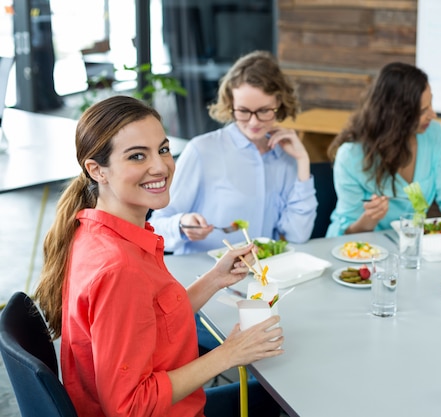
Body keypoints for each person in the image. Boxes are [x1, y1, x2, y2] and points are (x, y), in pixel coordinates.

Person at [33, 95, 282, 417]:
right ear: (97, 171)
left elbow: (151, 321)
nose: (160, 166)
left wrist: (214, 279)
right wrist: (228, 354)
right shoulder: (119, 269)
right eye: (137, 156)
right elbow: (129, 406)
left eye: (163, 149)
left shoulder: (100, 233)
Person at [325, 62, 441, 246]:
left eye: (431, 104)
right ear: (396, 116)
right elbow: (347, 232)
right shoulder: (351, 156)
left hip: (411, 248)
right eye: (423, 110)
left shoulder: (432, 134)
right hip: (362, 251)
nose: (433, 114)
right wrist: (370, 218)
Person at [149, 50, 318, 255]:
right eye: (244, 111)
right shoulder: (201, 150)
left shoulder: (285, 157)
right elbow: (155, 227)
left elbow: (298, 235)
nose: (254, 122)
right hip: (202, 277)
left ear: (279, 104)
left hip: (260, 277)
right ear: (231, 105)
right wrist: (181, 225)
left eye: (264, 110)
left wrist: (302, 161)